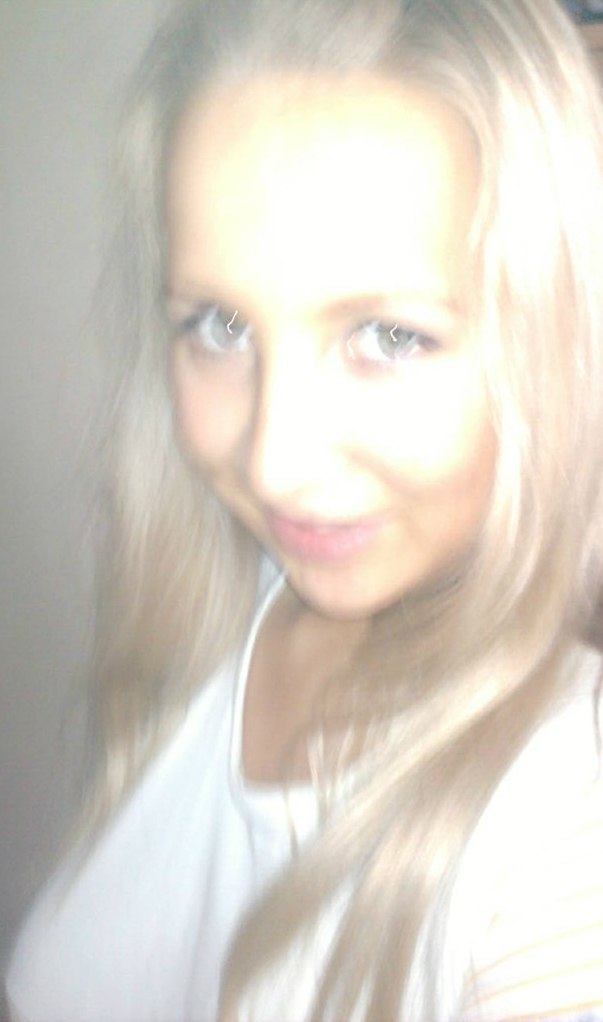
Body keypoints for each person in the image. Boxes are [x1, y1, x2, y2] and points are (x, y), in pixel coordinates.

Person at [5, 0, 603, 1019]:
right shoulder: (217, 608)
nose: (273, 464)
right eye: (219, 324)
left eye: (390, 336)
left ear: (562, 341)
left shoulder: (562, 818)